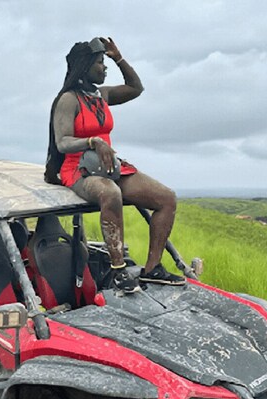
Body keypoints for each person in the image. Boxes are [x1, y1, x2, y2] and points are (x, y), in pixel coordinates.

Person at [45, 37, 184, 293]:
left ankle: (152, 269)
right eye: (100, 62)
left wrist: (118, 58)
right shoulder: (68, 100)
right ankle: (118, 270)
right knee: (110, 193)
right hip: (78, 169)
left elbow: (135, 88)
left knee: (166, 198)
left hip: (109, 165)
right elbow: (62, 142)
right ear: (85, 66)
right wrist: (93, 141)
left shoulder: (102, 95)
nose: (104, 67)